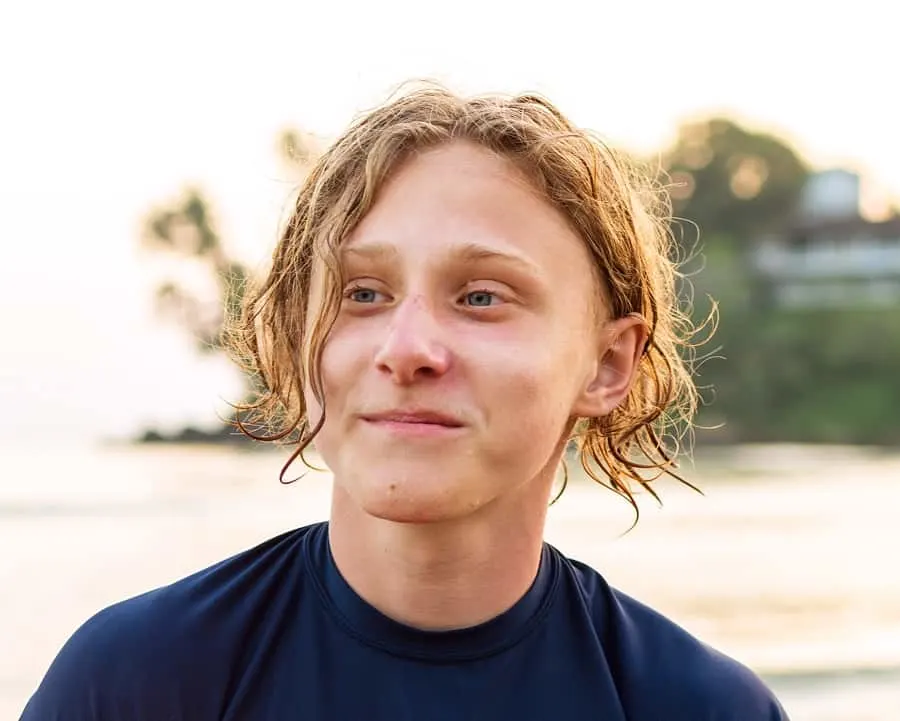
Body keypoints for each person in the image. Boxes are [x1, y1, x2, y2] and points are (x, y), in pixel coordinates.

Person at [21, 83, 789, 720]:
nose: (406, 346)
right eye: (364, 293)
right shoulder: (135, 683)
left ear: (607, 362)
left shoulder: (694, 706)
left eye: (482, 295)